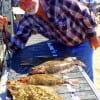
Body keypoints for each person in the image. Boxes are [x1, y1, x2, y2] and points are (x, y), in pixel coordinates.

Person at [0, 0, 100, 82]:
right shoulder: (28, 19)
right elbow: (16, 45)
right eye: (21, 3)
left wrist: (93, 35)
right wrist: (4, 29)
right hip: (59, 44)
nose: (26, 4)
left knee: (86, 77)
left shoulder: (59, 2)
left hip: (82, 42)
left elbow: (86, 13)